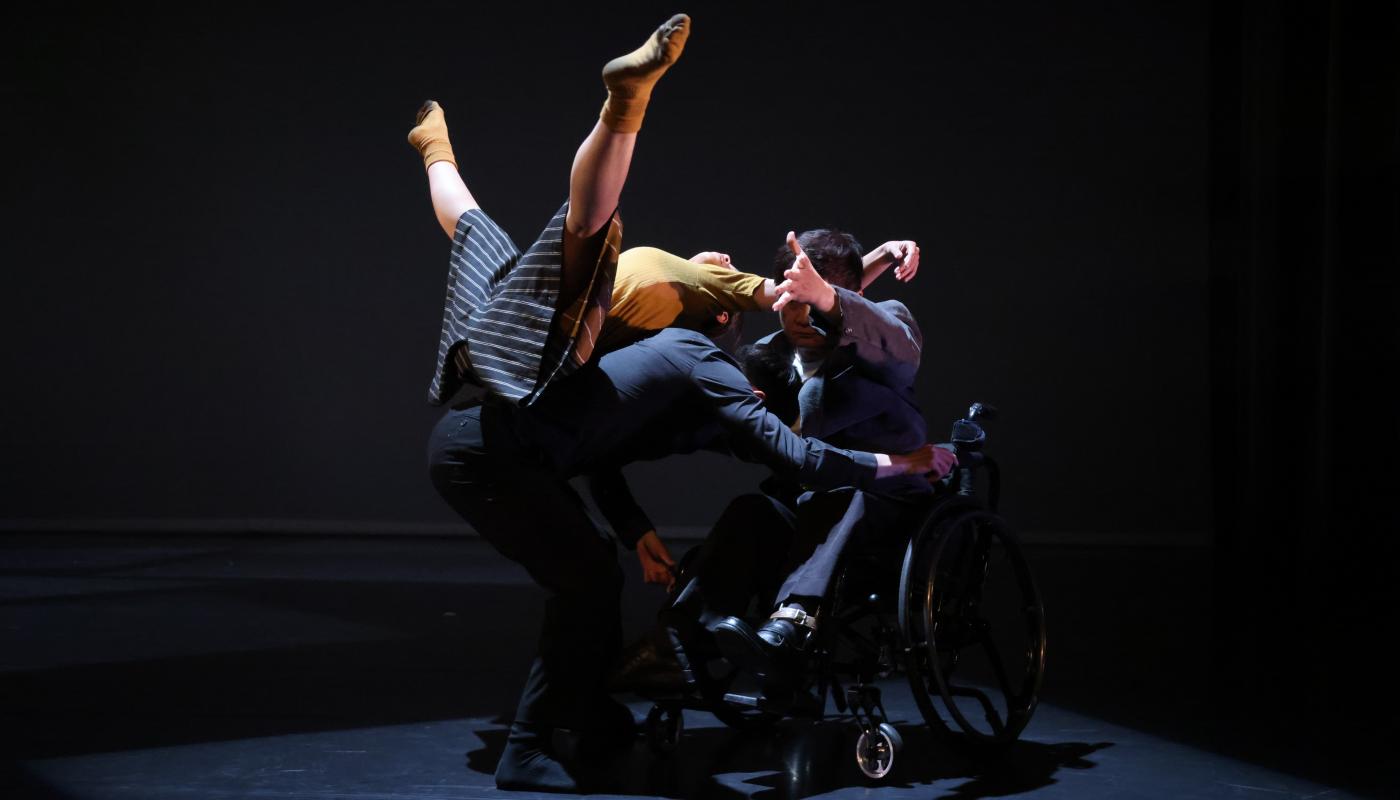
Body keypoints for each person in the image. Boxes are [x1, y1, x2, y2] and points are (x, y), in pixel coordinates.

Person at [667, 229, 957, 682]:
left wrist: (829, 297)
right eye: (794, 295)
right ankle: (686, 640)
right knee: (752, 511)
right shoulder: (766, 357)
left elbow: (900, 353)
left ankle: (794, 623)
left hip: (885, 497)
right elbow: (745, 438)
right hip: (805, 494)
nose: (803, 314)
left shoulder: (882, 326)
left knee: (847, 498)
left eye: (816, 296)